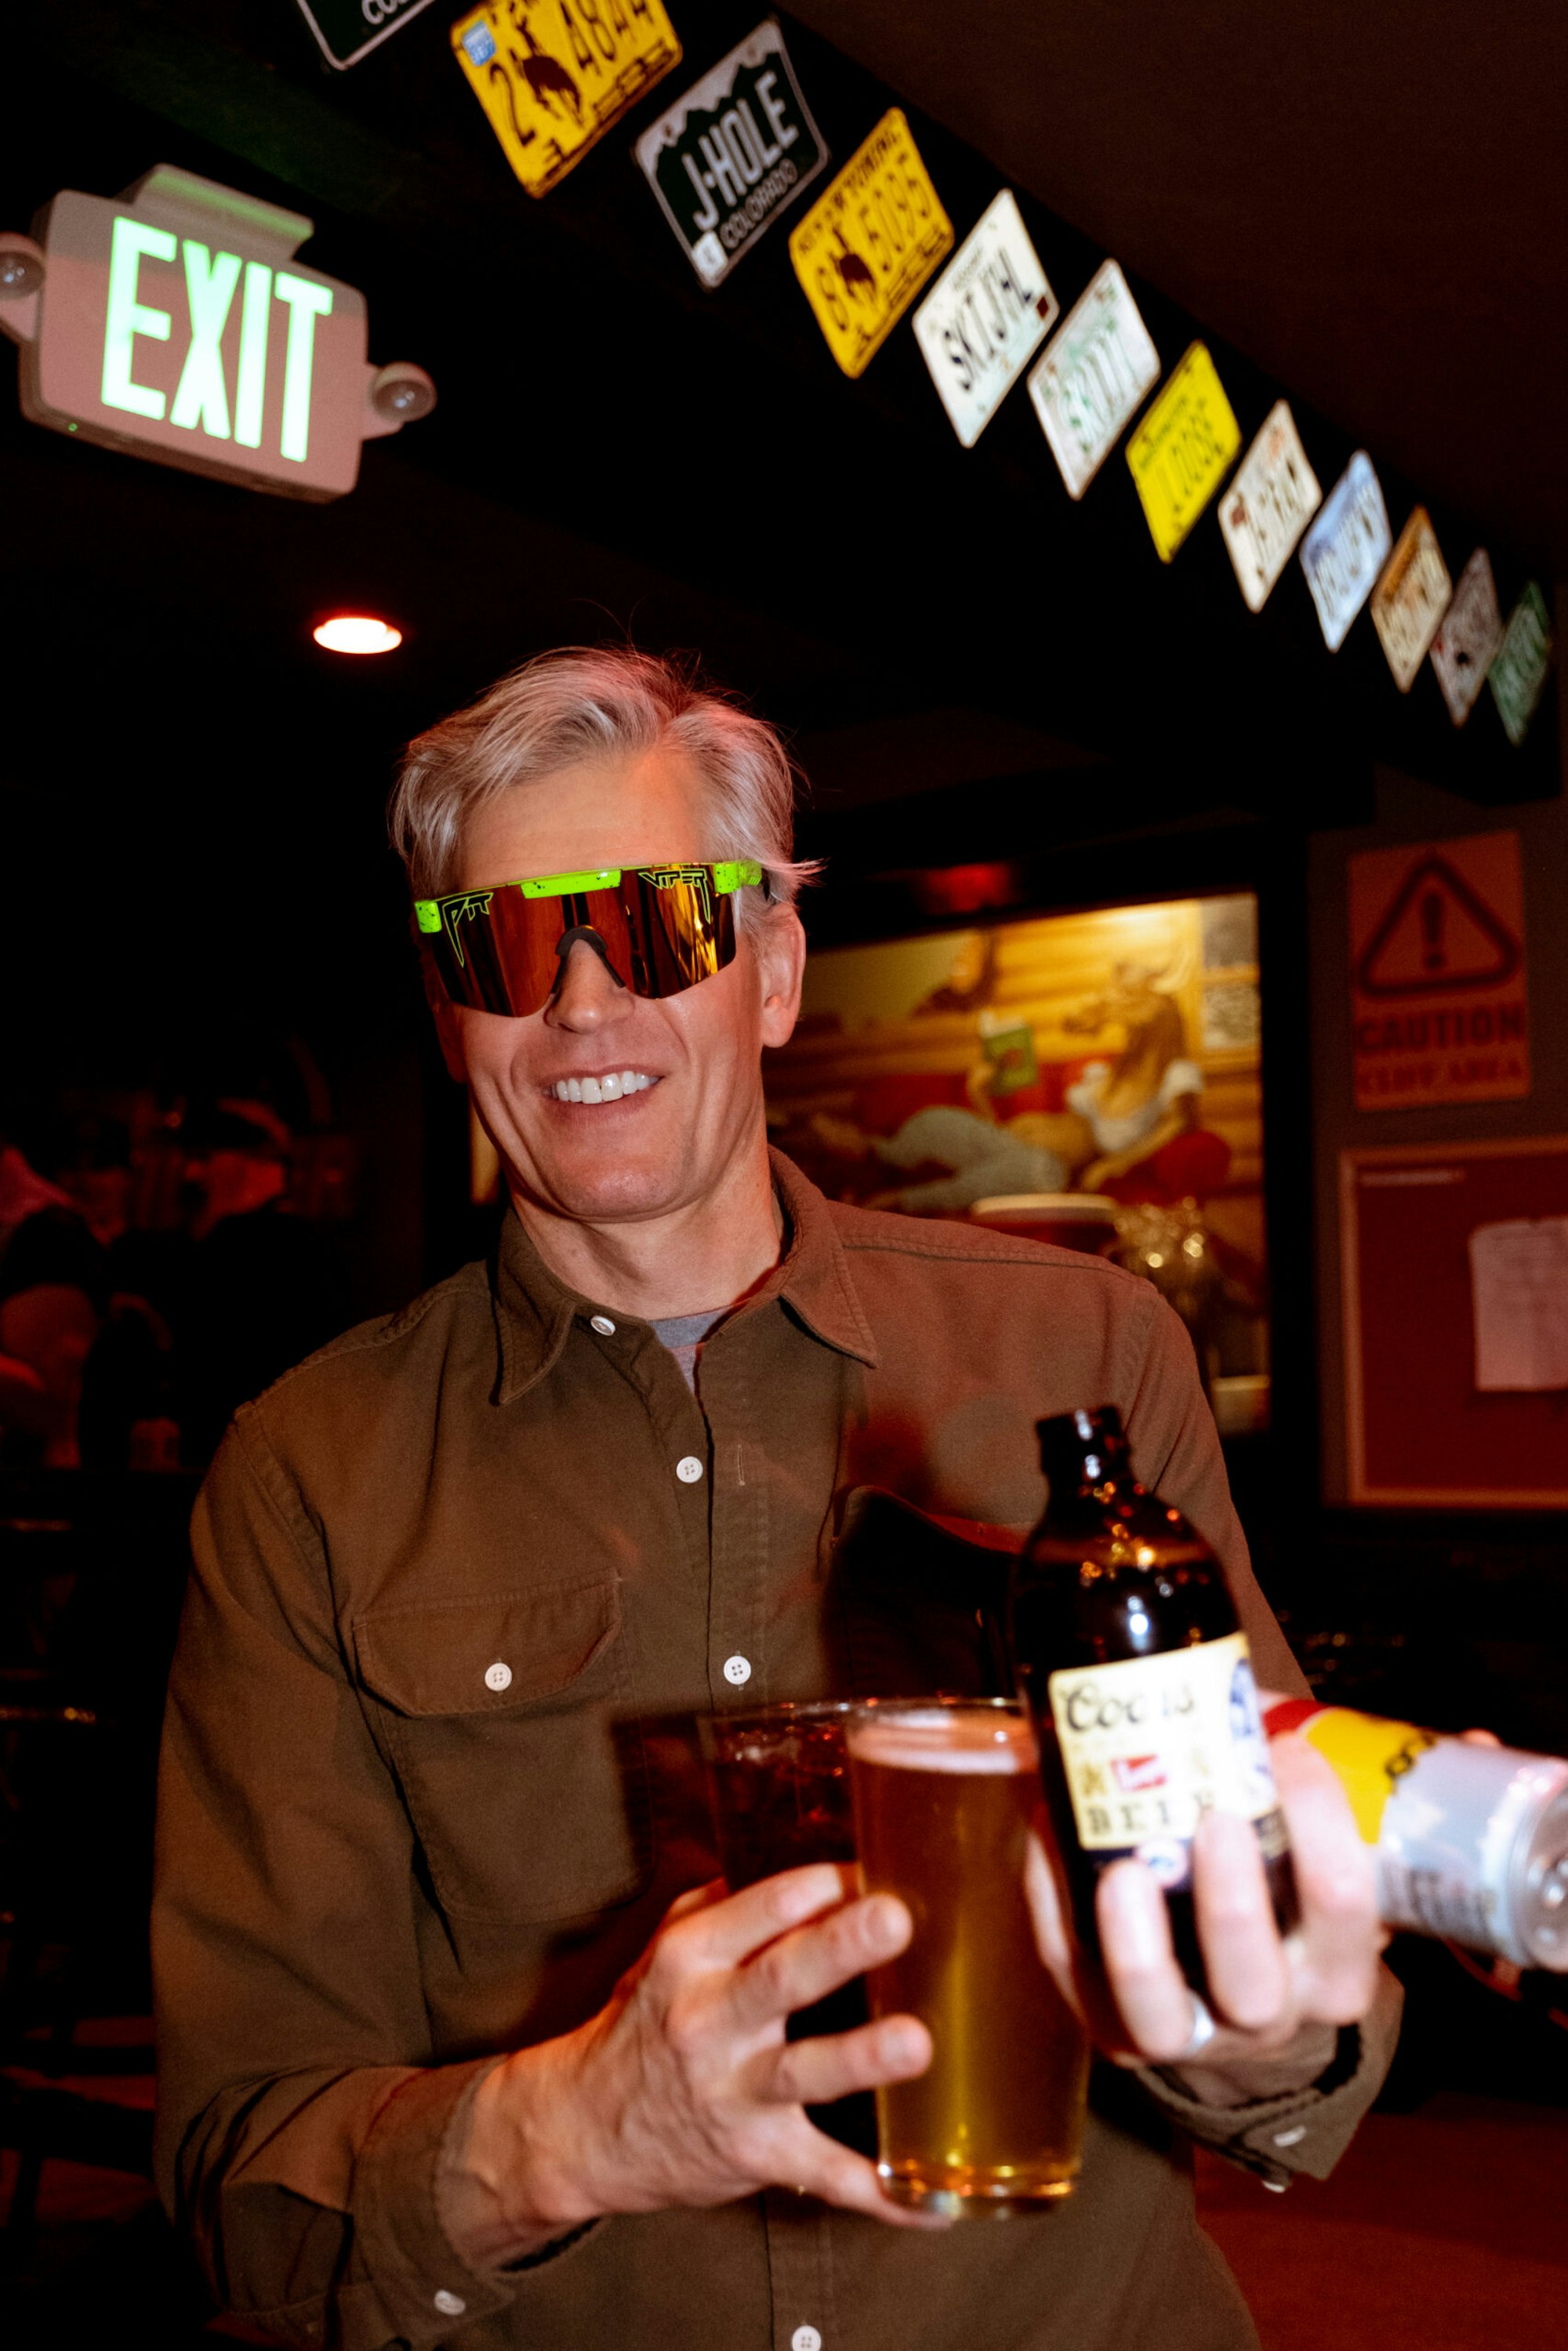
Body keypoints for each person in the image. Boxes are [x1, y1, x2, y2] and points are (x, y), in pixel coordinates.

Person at [154, 648, 1399, 2351]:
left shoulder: (1084, 1352)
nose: (582, 1005)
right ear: (455, 1018)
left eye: (656, 925)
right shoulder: (308, 1471)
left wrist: (1264, 2029)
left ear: (775, 969)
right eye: (512, 948)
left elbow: (1258, 1899)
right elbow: (247, 2188)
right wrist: (573, 2129)